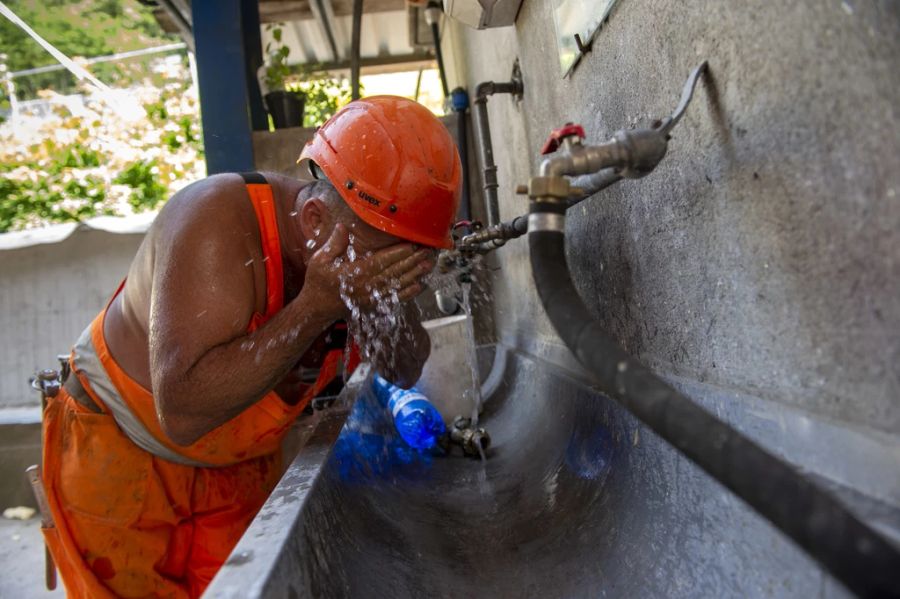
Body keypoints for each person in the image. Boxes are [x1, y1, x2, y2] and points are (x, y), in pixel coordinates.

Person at [39, 95, 461, 598]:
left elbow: (406, 369)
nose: (388, 272)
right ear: (314, 223)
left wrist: (386, 297)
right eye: (384, 258)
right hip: (123, 455)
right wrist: (315, 306)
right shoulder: (216, 223)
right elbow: (183, 411)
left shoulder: (360, 254)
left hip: (237, 465)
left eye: (410, 259)